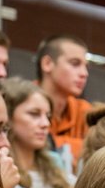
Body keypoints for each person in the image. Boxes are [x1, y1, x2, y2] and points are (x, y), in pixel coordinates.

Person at [1, 77, 74, 188]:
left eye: (48, 116)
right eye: (34, 114)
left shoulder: (56, 163)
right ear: (8, 117)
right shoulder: (1, 169)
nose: (45, 123)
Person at [36, 34, 90, 168]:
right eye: (75, 64)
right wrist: (80, 145)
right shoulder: (20, 103)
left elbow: (101, 152)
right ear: (47, 64)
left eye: (85, 66)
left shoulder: (84, 110)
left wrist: (54, 144)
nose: (84, 73)